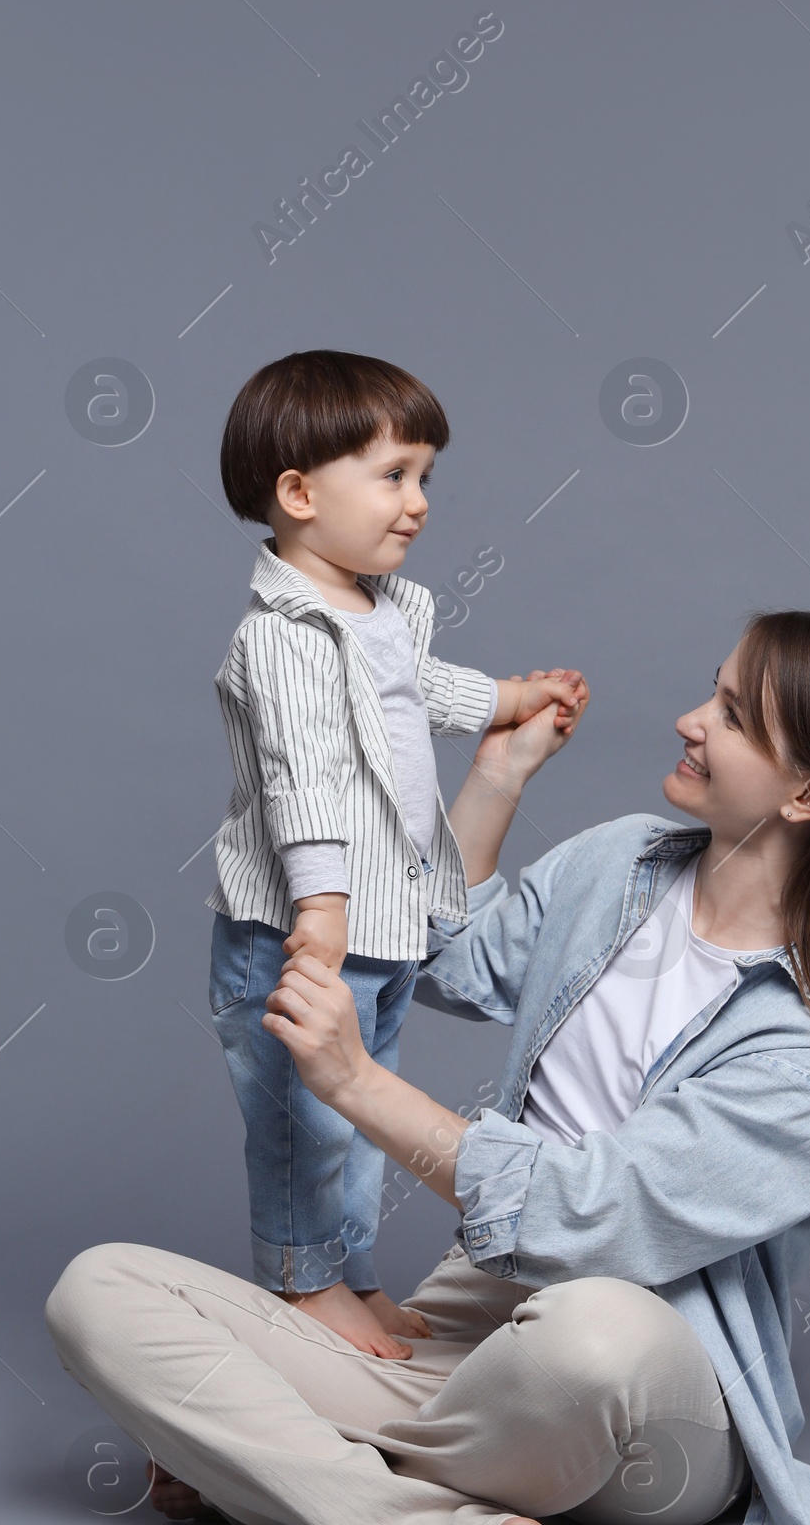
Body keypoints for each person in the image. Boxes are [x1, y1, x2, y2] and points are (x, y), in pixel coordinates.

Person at [46, 612, 810, 1525]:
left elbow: (590, 1215)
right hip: (473, 1338)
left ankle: (271, 1474)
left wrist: (357, 1085)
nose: (689, 719)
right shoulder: (625, 863)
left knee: (591, 1334)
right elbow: (451, 953)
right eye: (713, 689)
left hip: (647, 1392)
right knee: (100, 1291)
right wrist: (498, 779)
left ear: (808, 792)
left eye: (734, 717)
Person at [204, 349, 588, 1357]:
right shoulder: (283, 636)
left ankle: (354, 1276)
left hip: (381, 920)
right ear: (297, 493)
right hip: (298, 928)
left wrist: (509, 701)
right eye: (391, 476)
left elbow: (425, 694)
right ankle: (300, 1286)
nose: (416, 502)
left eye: (424, 477)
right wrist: (318, 908)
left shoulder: (388, 612)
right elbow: (299, 780)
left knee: (360, 1121)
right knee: (300, 1123)